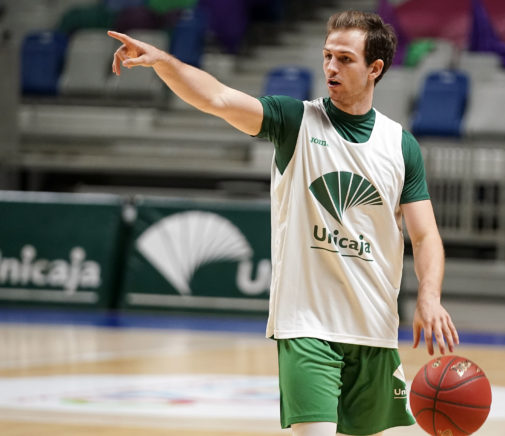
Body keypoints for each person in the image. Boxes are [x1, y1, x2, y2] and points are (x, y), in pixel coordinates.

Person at [109, 10, 459, 436]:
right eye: (327, 55)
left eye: (345, 59)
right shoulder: (294, 121)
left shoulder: (400, 145)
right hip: (306, 326)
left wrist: (430, 296)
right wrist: (164, 61)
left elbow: (424, 237)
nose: (331, 66)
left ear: (375, 68)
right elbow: (217, 98)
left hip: (374, 331)